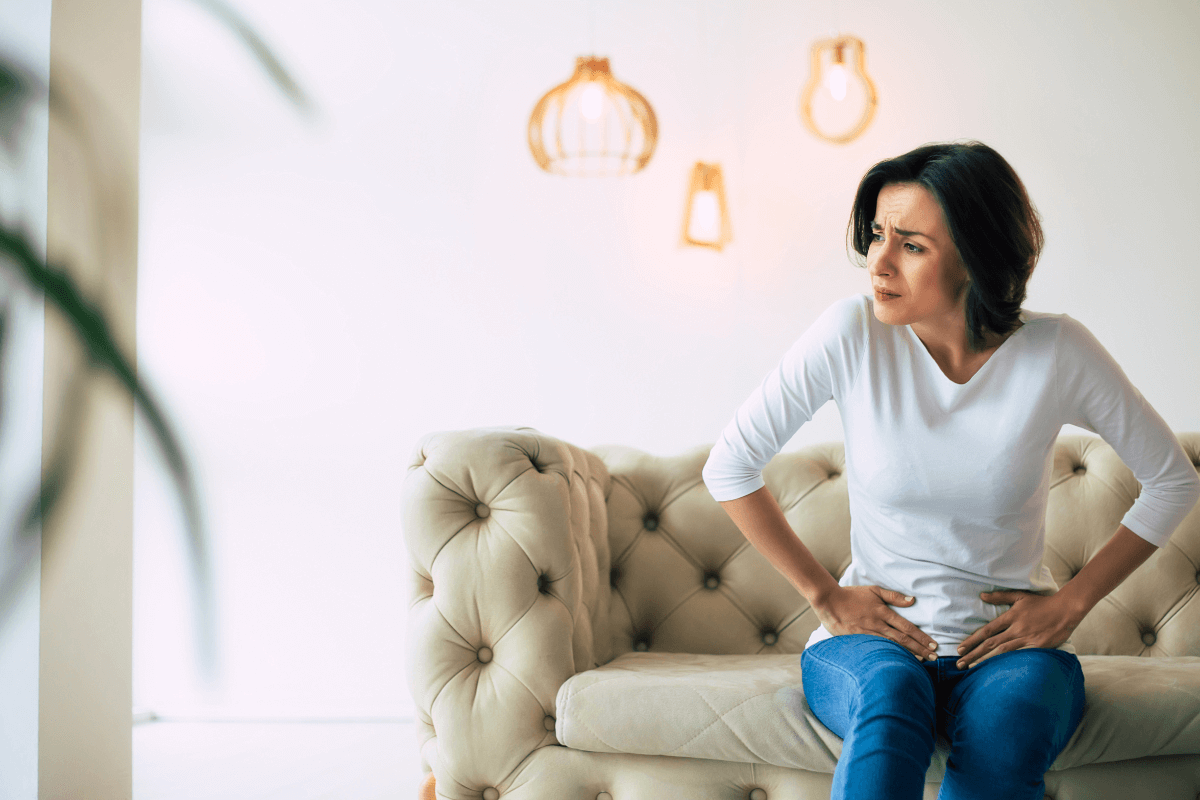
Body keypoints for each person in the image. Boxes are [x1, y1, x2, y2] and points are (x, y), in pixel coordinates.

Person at [701, 140, 1200, 800]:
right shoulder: (850, 333)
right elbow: (730, 465)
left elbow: (1173, 479)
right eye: (876, 236)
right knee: (889, 693)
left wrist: (1072, 603)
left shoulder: (1056, 351)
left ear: (975, 255)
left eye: (911, 245)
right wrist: (826, 596)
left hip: (1010, 656)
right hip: (869, 649)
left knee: (1009, 723)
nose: (879, 262)